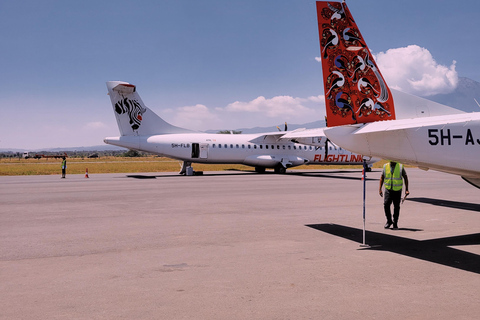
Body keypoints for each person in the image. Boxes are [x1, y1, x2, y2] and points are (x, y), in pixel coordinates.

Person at [379, 160, 409, 229]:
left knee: (396, 207)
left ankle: (395, 222)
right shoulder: (385, 166)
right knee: (386, 204)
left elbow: (405, 177)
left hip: (397, 190)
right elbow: (382, 177)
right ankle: (389, 221)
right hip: (388, 189)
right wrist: (380, 189)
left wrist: (406, 189)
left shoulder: (400, 166)